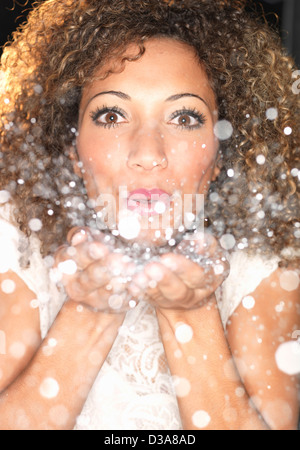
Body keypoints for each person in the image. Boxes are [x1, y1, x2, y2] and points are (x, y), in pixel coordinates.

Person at [0, 0, 299, 430]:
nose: (147, 154)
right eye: (111, 115)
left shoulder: (268, 264)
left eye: (183, 117)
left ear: (219, 155)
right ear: (73, 151)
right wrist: (90, 311)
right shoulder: (16, 247)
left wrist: (191, 313)